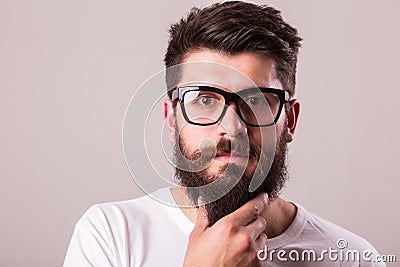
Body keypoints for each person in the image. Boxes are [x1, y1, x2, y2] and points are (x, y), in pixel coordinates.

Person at [63, 1, 385, 266]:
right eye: (204, 99)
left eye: (256, 101)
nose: (232, 128)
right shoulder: (110, 238)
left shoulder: (355, 259)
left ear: (290, 121)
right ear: (172, 118)